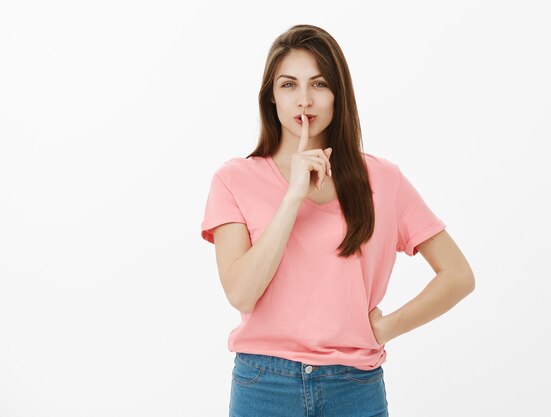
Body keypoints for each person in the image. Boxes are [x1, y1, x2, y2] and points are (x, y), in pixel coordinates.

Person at [200, 24, 475, 417]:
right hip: (264, 384)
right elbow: (241, 294)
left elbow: (458, 275)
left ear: (338, 95)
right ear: (271, 97)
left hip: (355, 386)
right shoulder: (233, 179)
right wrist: (293, 195)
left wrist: (386, 328)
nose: (305, 101)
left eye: (319, 84)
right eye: (289, 85)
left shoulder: (383, 179)